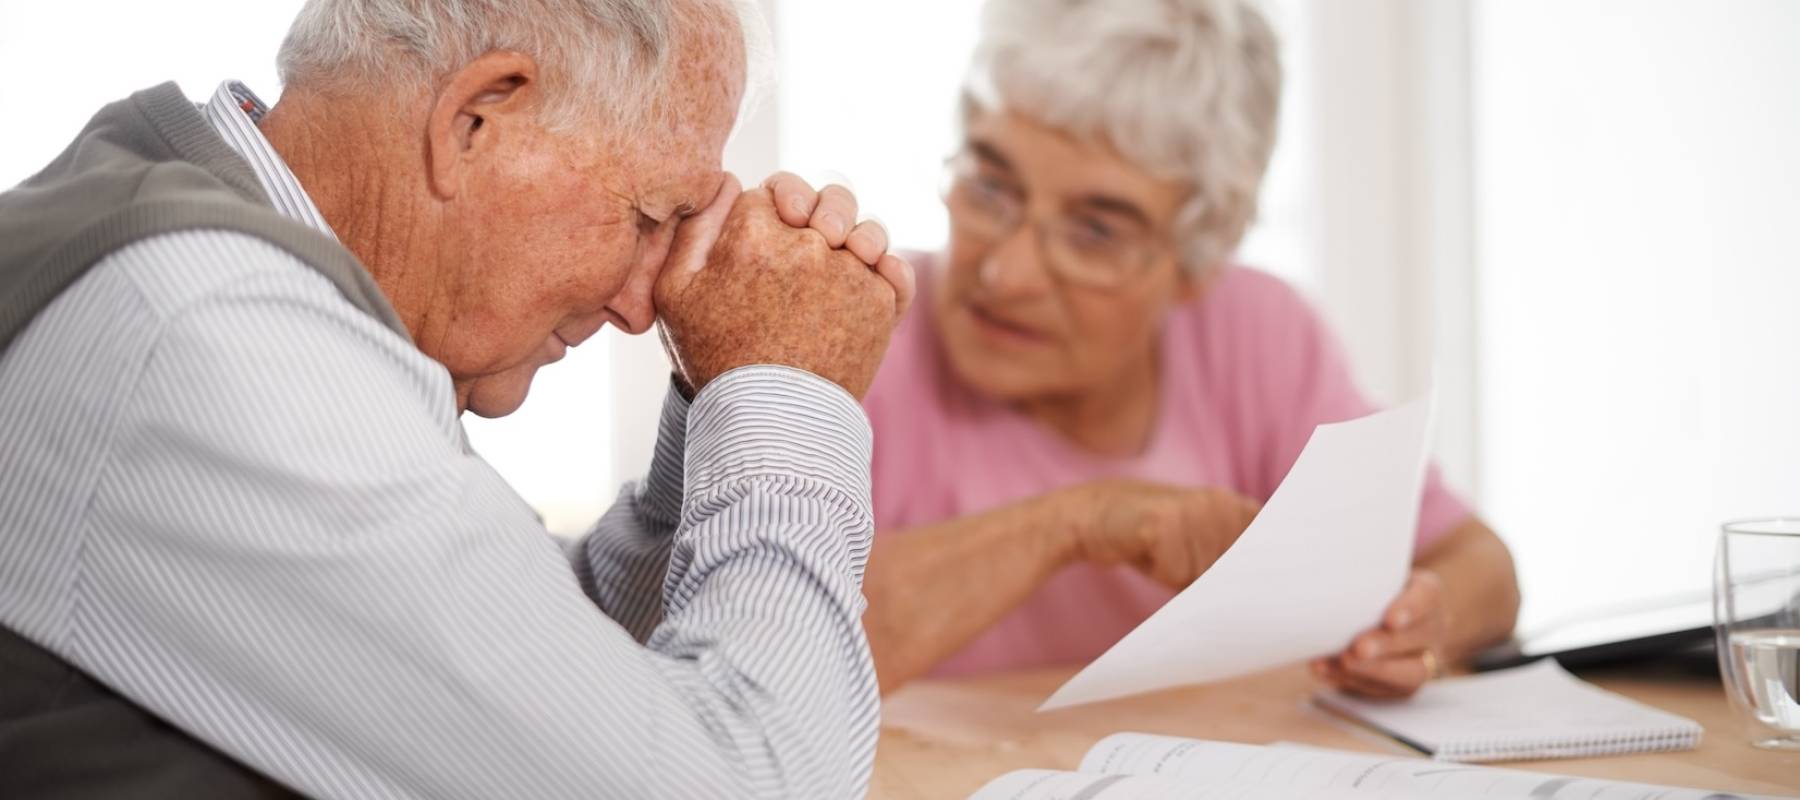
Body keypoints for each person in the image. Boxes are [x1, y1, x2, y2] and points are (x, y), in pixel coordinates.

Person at [0, 0, 913, 797]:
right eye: (648, 219)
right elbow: (743, 786)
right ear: (476, 117)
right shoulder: (206, 328)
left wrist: (714, 391)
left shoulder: (241, 262)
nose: (647, 306)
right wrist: (787, 389)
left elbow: (525, 668)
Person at [860, 0, 1521, 699]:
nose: (1005, 273)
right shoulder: (868, 329)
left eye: (1095, 233)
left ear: (1196, 263)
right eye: (990, 186)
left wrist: (1422, 625)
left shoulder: (1255, 333)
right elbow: (763, 645)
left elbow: (1482, 565)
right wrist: (1080, 520)